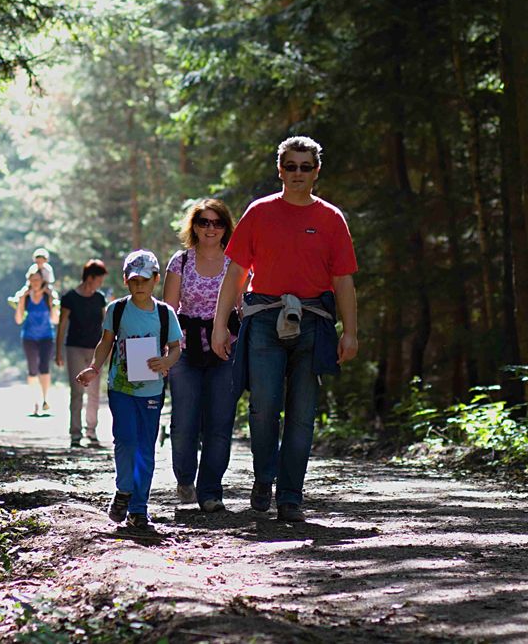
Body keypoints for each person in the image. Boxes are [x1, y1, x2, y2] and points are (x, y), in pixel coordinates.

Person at [211, 136, 358, 523]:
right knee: (262, 409)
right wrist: (219, 326)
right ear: (279, 170)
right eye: (290, 166)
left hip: (314, 322)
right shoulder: (259, 213)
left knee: (302, 413)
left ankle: (291, 496)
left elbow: (343, 280)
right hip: (262, 320)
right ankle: (264, 478)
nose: (297, 173)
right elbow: (236, 274)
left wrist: (351, 332)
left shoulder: (331, 218)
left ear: (316, 171)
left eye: (304, 167)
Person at [76, 250, 182, 530]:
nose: (139, 285)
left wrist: (166, 362)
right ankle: (123, 490)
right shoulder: (117, 309)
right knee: (125, 440)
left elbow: (176, 348)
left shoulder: (164, 313)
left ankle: (138, 509)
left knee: (145, 448)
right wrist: (94, 368)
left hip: (151, 391)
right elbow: (105, 342)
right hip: (121, 389)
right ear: (125, 280)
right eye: (134, 279)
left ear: (156, 280)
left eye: (145, 279)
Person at [163, 199, 241, 512]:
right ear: (194, 226)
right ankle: (185, 478)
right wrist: (165, 353)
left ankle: (210, 492)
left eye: (217, 222)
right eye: (204, 222)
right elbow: (167, 312)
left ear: (226, 227)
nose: (210, 228)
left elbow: (242, 307)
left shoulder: (236, 262)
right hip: (184, 350)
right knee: (184, 422)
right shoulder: (180, 262)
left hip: (226, 350)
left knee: (220, 424)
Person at [56, 259, 108, 448]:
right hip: (74, 348)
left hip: (95, 350)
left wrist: (108, 349)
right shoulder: (69, 297)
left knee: (94, 392)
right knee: (77, 391)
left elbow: (106, 325)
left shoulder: (99, 298)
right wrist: (58, 351)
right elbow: (62, 325)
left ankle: (91, 431)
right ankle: (75, 433)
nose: (100, 284)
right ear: (90, 277)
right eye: (99, 280)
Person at [15, 263, 57, 414]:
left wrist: (52, 300)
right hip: (29, 337)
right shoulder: (25, 298)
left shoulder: (48, 296)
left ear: (43, 280)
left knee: (44, 367)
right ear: (29, 281)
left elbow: (55, 320)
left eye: (38, 280)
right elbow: (19, 320)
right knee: (32, 370)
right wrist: (21, 301)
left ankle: (45, 399)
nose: (35, 283)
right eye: (32, 280)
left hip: (46, 336)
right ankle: (34, 402)